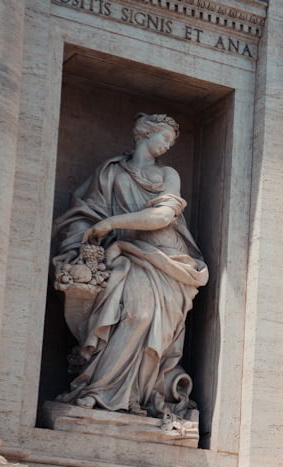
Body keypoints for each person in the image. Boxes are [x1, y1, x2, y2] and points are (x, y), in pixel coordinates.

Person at [51, 113, 208, 419]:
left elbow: (163, 217)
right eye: (163, 137)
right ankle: (98, 389)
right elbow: (85, 211)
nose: (167, 145)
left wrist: (111, 223)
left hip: (163, 258)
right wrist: (90, 235)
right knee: (131, 313)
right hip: (121, 255)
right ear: (144, 134)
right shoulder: (110, 172)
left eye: (172, 141)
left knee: (144, 315)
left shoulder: (168, 175)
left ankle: (135, 394)